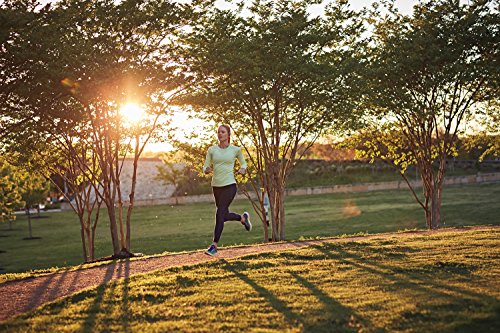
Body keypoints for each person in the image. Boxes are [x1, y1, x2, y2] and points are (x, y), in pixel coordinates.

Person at [203, 124, 252, 256]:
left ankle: (214, 246)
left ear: (228, 135)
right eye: (218, 132)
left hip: (230, 185)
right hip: (216, 186)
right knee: (223, 215)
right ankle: (242, 218)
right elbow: (206, 165)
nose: (220, 134)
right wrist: (207, 169)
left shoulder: (235, 150)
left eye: (223, 132)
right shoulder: (212, 150)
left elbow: (244, 163)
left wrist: (243, 169)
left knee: (219, 214)